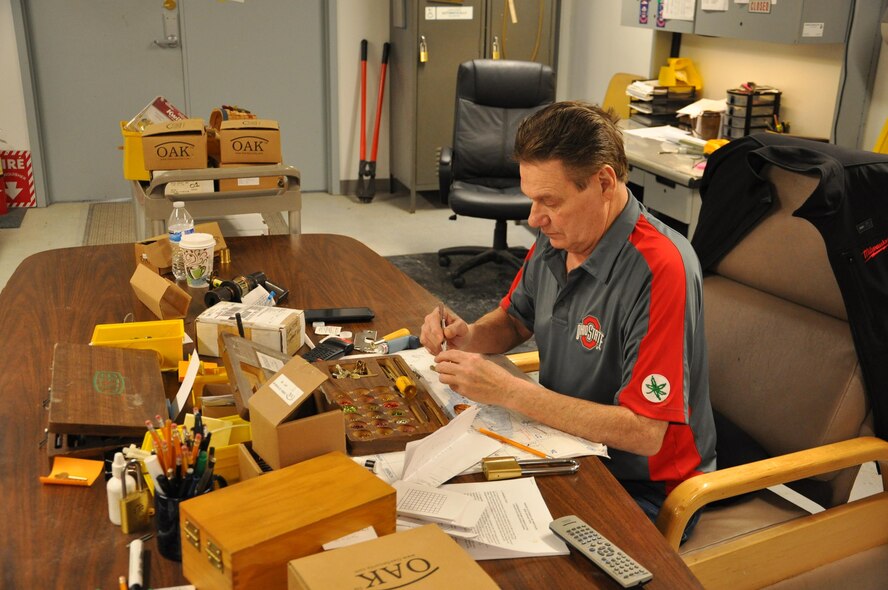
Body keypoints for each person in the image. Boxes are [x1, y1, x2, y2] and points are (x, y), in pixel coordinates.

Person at [420, 101, 716, 539]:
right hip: (563, 444)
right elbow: (517, 320)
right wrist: (470, 336)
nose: (533, 219)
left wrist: (511, 392)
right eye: (531, 198)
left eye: (549, 201)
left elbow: (645, 432)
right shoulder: (558, 236)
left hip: (645, 485)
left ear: (603, 182)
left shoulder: (661, 269)